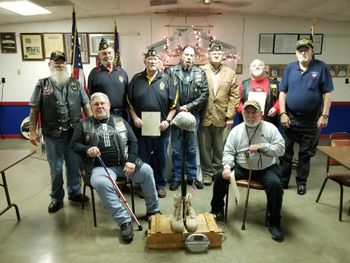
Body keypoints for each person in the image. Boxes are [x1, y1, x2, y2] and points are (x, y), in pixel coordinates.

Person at [71, 92, 160, 243]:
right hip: (100, 167)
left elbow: (133, 142)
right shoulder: (83, 125)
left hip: (125, 163)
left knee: (147, 171)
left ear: (109, 105)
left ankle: (153, 211)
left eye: (102, 103)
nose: (99, 106)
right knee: (100, 183)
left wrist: (131, 161)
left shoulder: (121, 121)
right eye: (96, 104)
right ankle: (124, 221)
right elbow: (74, 144)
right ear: (91, 107)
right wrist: (87, 150)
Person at [210, 99, 285, 241]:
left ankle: (274, 223)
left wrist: (263, 147)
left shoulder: (270, 128)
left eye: (254, 112)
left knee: (275, 185)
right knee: (220, 176)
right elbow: (229, 151)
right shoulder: (236, 130)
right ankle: (217, 210)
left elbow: (281, 149)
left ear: (261, 114)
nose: (250, 116)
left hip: (266, 168)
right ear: (243, 113)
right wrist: (226, 167)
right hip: (242, 167)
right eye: (247, 112)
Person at [28, 51, 92, 213]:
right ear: (50, 64)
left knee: (73, 166)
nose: (59, 64)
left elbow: (86, 105)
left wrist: (92, 126)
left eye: (62, 62)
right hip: (52, 136)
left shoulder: (76, 83)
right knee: (56, 169)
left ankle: (74, 192)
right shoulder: (42, 84)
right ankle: (56, 198)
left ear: (66, 65)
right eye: (56, 62)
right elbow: (34, 110)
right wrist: (32, 130)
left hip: (73, 135)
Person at [279, 39, 333, 195]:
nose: (303, 52)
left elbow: (327, 93)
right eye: (300, 50)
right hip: (290, 118)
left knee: (306, 154)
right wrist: (282, 113)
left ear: (312, 51)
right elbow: (282, 92)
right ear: (296, 53)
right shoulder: (289, 68)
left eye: (306, 50)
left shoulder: (321, 67)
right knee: (285, 153)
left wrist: (325, 115)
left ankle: (301, 182)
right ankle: (283, 181)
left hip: (312, 119)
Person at [127, 48, 177, 198]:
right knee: (143, 157)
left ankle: (160, 185)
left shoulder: (167, 80)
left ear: (159, 62)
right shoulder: (136, 79)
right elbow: (129, 102)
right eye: (149, 59)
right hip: (140, 128)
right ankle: (145, 186)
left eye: (155, 59)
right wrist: (135, 118)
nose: (152, 61)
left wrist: (167, 121)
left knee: (160, 158)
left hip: (161, 129)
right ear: (144, 62)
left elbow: (174, 104)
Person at [166, 45, 209, 191]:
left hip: (192, 114)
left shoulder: (200, 73)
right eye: (186, 55)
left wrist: (188, 107)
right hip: (176, 115)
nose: (189, 58)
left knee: (191, 147)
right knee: (177, 149)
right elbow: (168, 93)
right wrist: (179, 108)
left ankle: (192, 177)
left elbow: (205, 94)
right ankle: (177, 177)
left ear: (194, 58)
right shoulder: (170, 71)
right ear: (181, 56)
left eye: (191, 55)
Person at [198, 43, 239, 186]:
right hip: (204, 115)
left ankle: (217, 172)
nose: (216, 55)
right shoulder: (200, 71)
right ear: (208, 55)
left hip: (222, 117)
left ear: (223, 56)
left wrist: (230, 115)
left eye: (219, 53)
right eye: (213, 53)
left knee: (220, 147)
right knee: (204, 148)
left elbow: (234, 96)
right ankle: (207, 174)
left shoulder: (230, 73)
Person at [88, 38, 129, 120]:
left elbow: (128, 95)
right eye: (104, 53)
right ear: (100, 56)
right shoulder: (94, 73)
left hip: (122, 115)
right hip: (102, 115)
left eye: (109, 53)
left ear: (113, 54)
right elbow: (90, 96)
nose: (107, 55)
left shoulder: (122, 72)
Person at [237, 59, 280, 127]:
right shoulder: (243, 85)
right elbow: (237, 102)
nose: (257, 67)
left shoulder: (274, 84)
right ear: (250, 70)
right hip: (248, 123)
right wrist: (245, 111)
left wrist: (276, 108)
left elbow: (280, 99)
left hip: (269, 123)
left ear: (264, 68)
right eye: (253, 66)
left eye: (260, 65)